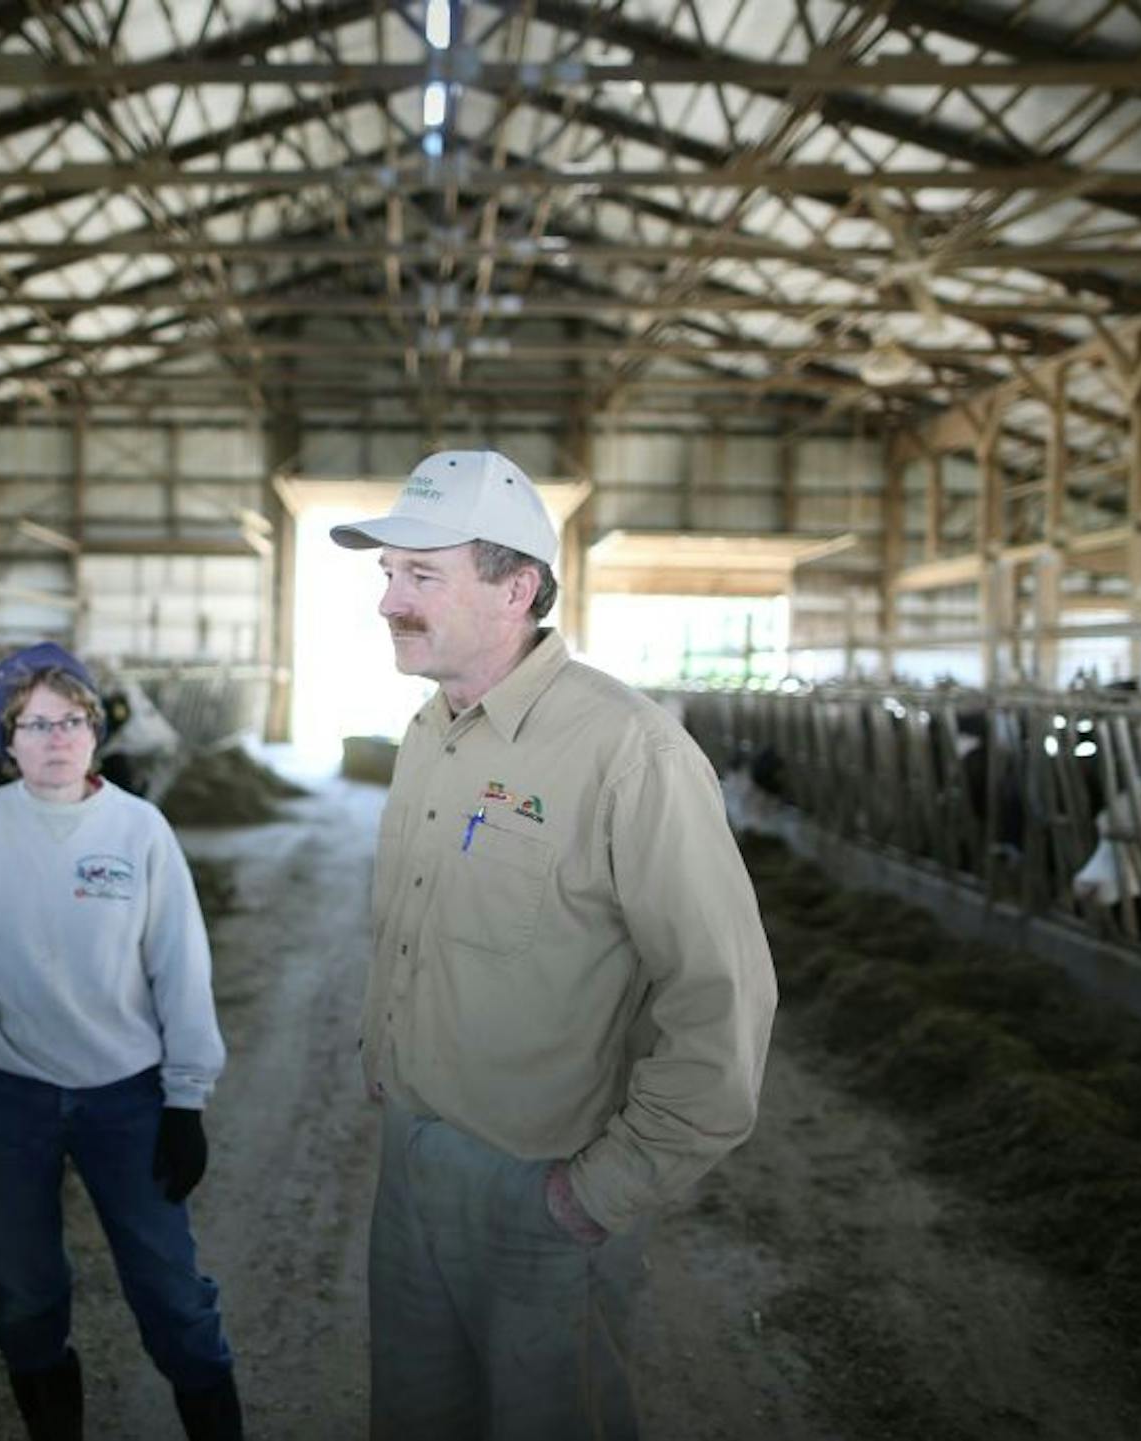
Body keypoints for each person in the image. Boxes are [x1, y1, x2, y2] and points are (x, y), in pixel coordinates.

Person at [330, 449, 779, 1440]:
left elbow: (723, 1000)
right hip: (411, 1155)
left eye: (421, 576)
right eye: (387, 576)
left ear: (518, 586)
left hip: (542, 1186)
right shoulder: (428, 729)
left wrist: (604, 1190)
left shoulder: (631, 751)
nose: (389, 602)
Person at [0, 642, 242, 1441]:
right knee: (24, 1292)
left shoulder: (139, 830)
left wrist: (185, 1096)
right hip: (4, 1093)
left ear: (96, 730)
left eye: (71, 720)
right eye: (34, 724)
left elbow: (180, 966)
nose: (55, 738)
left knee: (170, 1291)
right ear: (7, 738)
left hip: (126, 1094)